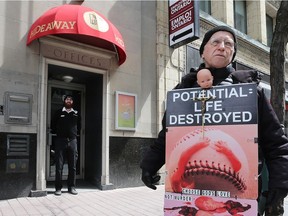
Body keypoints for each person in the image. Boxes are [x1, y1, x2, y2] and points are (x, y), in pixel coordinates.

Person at [140, 25, 288, 216]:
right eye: (215, 42)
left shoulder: (251, 92)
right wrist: (149, 165)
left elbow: (276, 143)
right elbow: (167, 136)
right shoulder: (183, 92)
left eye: (229, 44)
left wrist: (280, 182)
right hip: (188, 197)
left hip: (242, 198)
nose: (222, 47)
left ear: (232, 54)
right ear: (202, 52)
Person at [51, 95, 81, 196]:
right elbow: (53, 125)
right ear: (64, 101)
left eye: (71, 99)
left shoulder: (76, 113)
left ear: (72, 102)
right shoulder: (59, 112)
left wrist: (74, 135)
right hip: (60, 141)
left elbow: (79, 126)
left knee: (72, 166)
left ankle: (71, 187)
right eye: (67, 99)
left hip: (72, 141)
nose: (69, 101)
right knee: (59, 166)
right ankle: (58, 188)